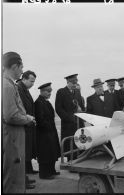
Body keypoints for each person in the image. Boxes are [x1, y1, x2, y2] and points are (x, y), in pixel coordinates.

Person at [3, 52, 35, 193]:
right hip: (12, 139)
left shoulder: (9, 84)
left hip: (14, 138)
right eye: (21, 68)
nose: (22, 71)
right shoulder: (7, 86)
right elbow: (10, 115)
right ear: (15, 66)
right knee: (13, 179)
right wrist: (27, 118)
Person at [55, 74, 85, 160]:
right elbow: (58, 108)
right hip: (68, 124)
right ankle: (71, 162)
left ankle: (79, 161)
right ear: (68, 82)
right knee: (70, 145)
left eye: (75, 83)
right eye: (73, 83)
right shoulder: (61, 92)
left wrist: (81, 109)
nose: (74, 85)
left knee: (80, 143)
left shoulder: (77, 92)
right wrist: (69, 118)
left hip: (79, 124)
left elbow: (82, 107)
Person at [35, 83, 61, 179]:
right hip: (44, 134)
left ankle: (51, 171)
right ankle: (44, 174)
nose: (50, 93)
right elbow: (40, 120)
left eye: (50, 91)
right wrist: (49, 128)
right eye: (48, 91)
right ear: (42, 91)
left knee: (52, 152)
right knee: (45, 154)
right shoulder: (38, 102)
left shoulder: (46, 102)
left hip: (50, 132)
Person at [17, 70, 38, 189]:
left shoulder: (25, 89)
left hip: (28, 125)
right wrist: (28, 119)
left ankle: (24, 178)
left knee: (26, 154)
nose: (33, 84)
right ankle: (22, 181)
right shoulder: (19, 89)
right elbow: (21, 109)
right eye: (31, 81)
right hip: (23, 127)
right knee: (22, 155)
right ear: (24, 79)